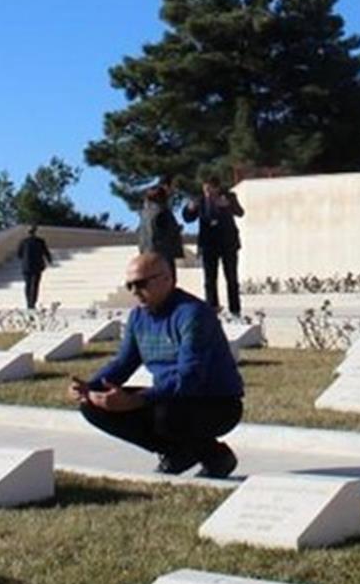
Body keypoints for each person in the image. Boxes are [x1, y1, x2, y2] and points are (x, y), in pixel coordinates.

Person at [69, 250, 243, 478]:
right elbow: (123, 362)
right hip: (171, 398)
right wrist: (90, 387)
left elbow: (190, 375)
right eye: (129, 285)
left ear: (167, 279)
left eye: (140, 284)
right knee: (93, 407)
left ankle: (216, 456)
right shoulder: (138, 317)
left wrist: (137, 399)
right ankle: (176, 453)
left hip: (215, 401)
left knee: (166, 414)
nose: (134, 292)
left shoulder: (193, 314)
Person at [182, 177, 244, 316]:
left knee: (231, 278)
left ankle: (235, 310)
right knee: (209, 280)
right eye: (205, 190)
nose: (207, 193)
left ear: (217, 188)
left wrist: (228, 205)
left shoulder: (229, 197)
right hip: (209, 244)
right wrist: (190, 208)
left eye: (210, 189)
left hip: (228, 243)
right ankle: (212, 309)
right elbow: (187, 218)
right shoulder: (200, 200)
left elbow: (240, 212)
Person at [138, 179, 184, 265]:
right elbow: (166, 232)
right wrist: (177, 229)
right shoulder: (162, 212)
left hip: (147, 252)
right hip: (163, 253)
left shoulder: (145, 212)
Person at [16, 224, 53, 310]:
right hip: (37, 266)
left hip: (26, 266)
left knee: (28, 285)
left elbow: (19, 254)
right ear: (35, 232)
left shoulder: (23, 242)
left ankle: (28, 302)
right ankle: (33, 302)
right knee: (35, 285)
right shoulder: (40, 241)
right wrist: (49, 260)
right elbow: (46, 252)